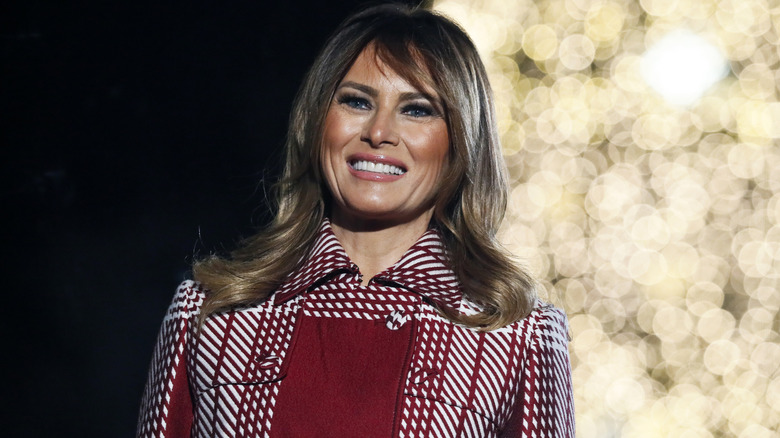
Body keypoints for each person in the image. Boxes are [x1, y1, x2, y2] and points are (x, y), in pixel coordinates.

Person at [137, 3, 574, 437]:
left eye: (417, 109)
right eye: (357, 101)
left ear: (460, 141)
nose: (379, 132)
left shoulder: (520, 337)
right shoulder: (211, 311)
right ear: (317, 122)